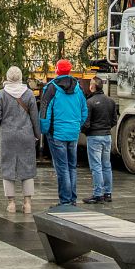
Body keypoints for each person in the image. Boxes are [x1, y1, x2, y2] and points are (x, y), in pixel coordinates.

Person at [0, 66, 40, 214]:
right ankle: (27, 203)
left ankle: (11, 203)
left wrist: (2, 124)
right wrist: (37, 134)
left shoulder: (1, 95)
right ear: (20, 77)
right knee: (28, 168)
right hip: (26, 135)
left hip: (7, 136)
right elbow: (34, 118)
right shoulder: (29, 94)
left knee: (8, 167)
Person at [39, 59, 88, 206]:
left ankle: (65, 200)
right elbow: (84, 110)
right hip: (72, 132)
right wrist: (77, 126)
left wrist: (44, 130)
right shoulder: (78, 89)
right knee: (72, 166)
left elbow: (44, 112)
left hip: (57, 133)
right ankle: (72, 199)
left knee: (62, 167)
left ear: (57, 70)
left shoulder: (51, 88)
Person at [82, 77, 119, 204]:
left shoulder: (90, 102)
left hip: (94, 136)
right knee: (106, 165)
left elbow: (86, 123)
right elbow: (114, 120)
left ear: (93, 87)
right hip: (107, 136)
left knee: (96, 166)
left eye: (90, 84)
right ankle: (108, 193)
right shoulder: (111, 101)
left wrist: (86, 132)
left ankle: (98, 194)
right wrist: (107, 128)